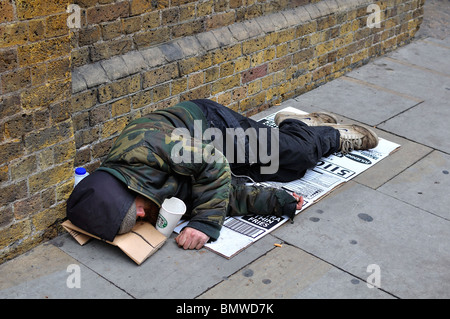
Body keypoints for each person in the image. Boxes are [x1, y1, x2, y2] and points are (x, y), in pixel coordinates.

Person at [66, 99, 378, 250]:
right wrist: (273, 201)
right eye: (136, 220)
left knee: (294, 155)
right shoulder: (145, 194)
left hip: (210, 127)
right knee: (284, 175)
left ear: (120, 188)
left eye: (134, 211)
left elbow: (212, 166)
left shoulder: (145, 146)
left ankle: (329, 135)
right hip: (203, 155)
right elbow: (214, 193)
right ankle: (297, 123)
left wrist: (203, 224)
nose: (143, 214)